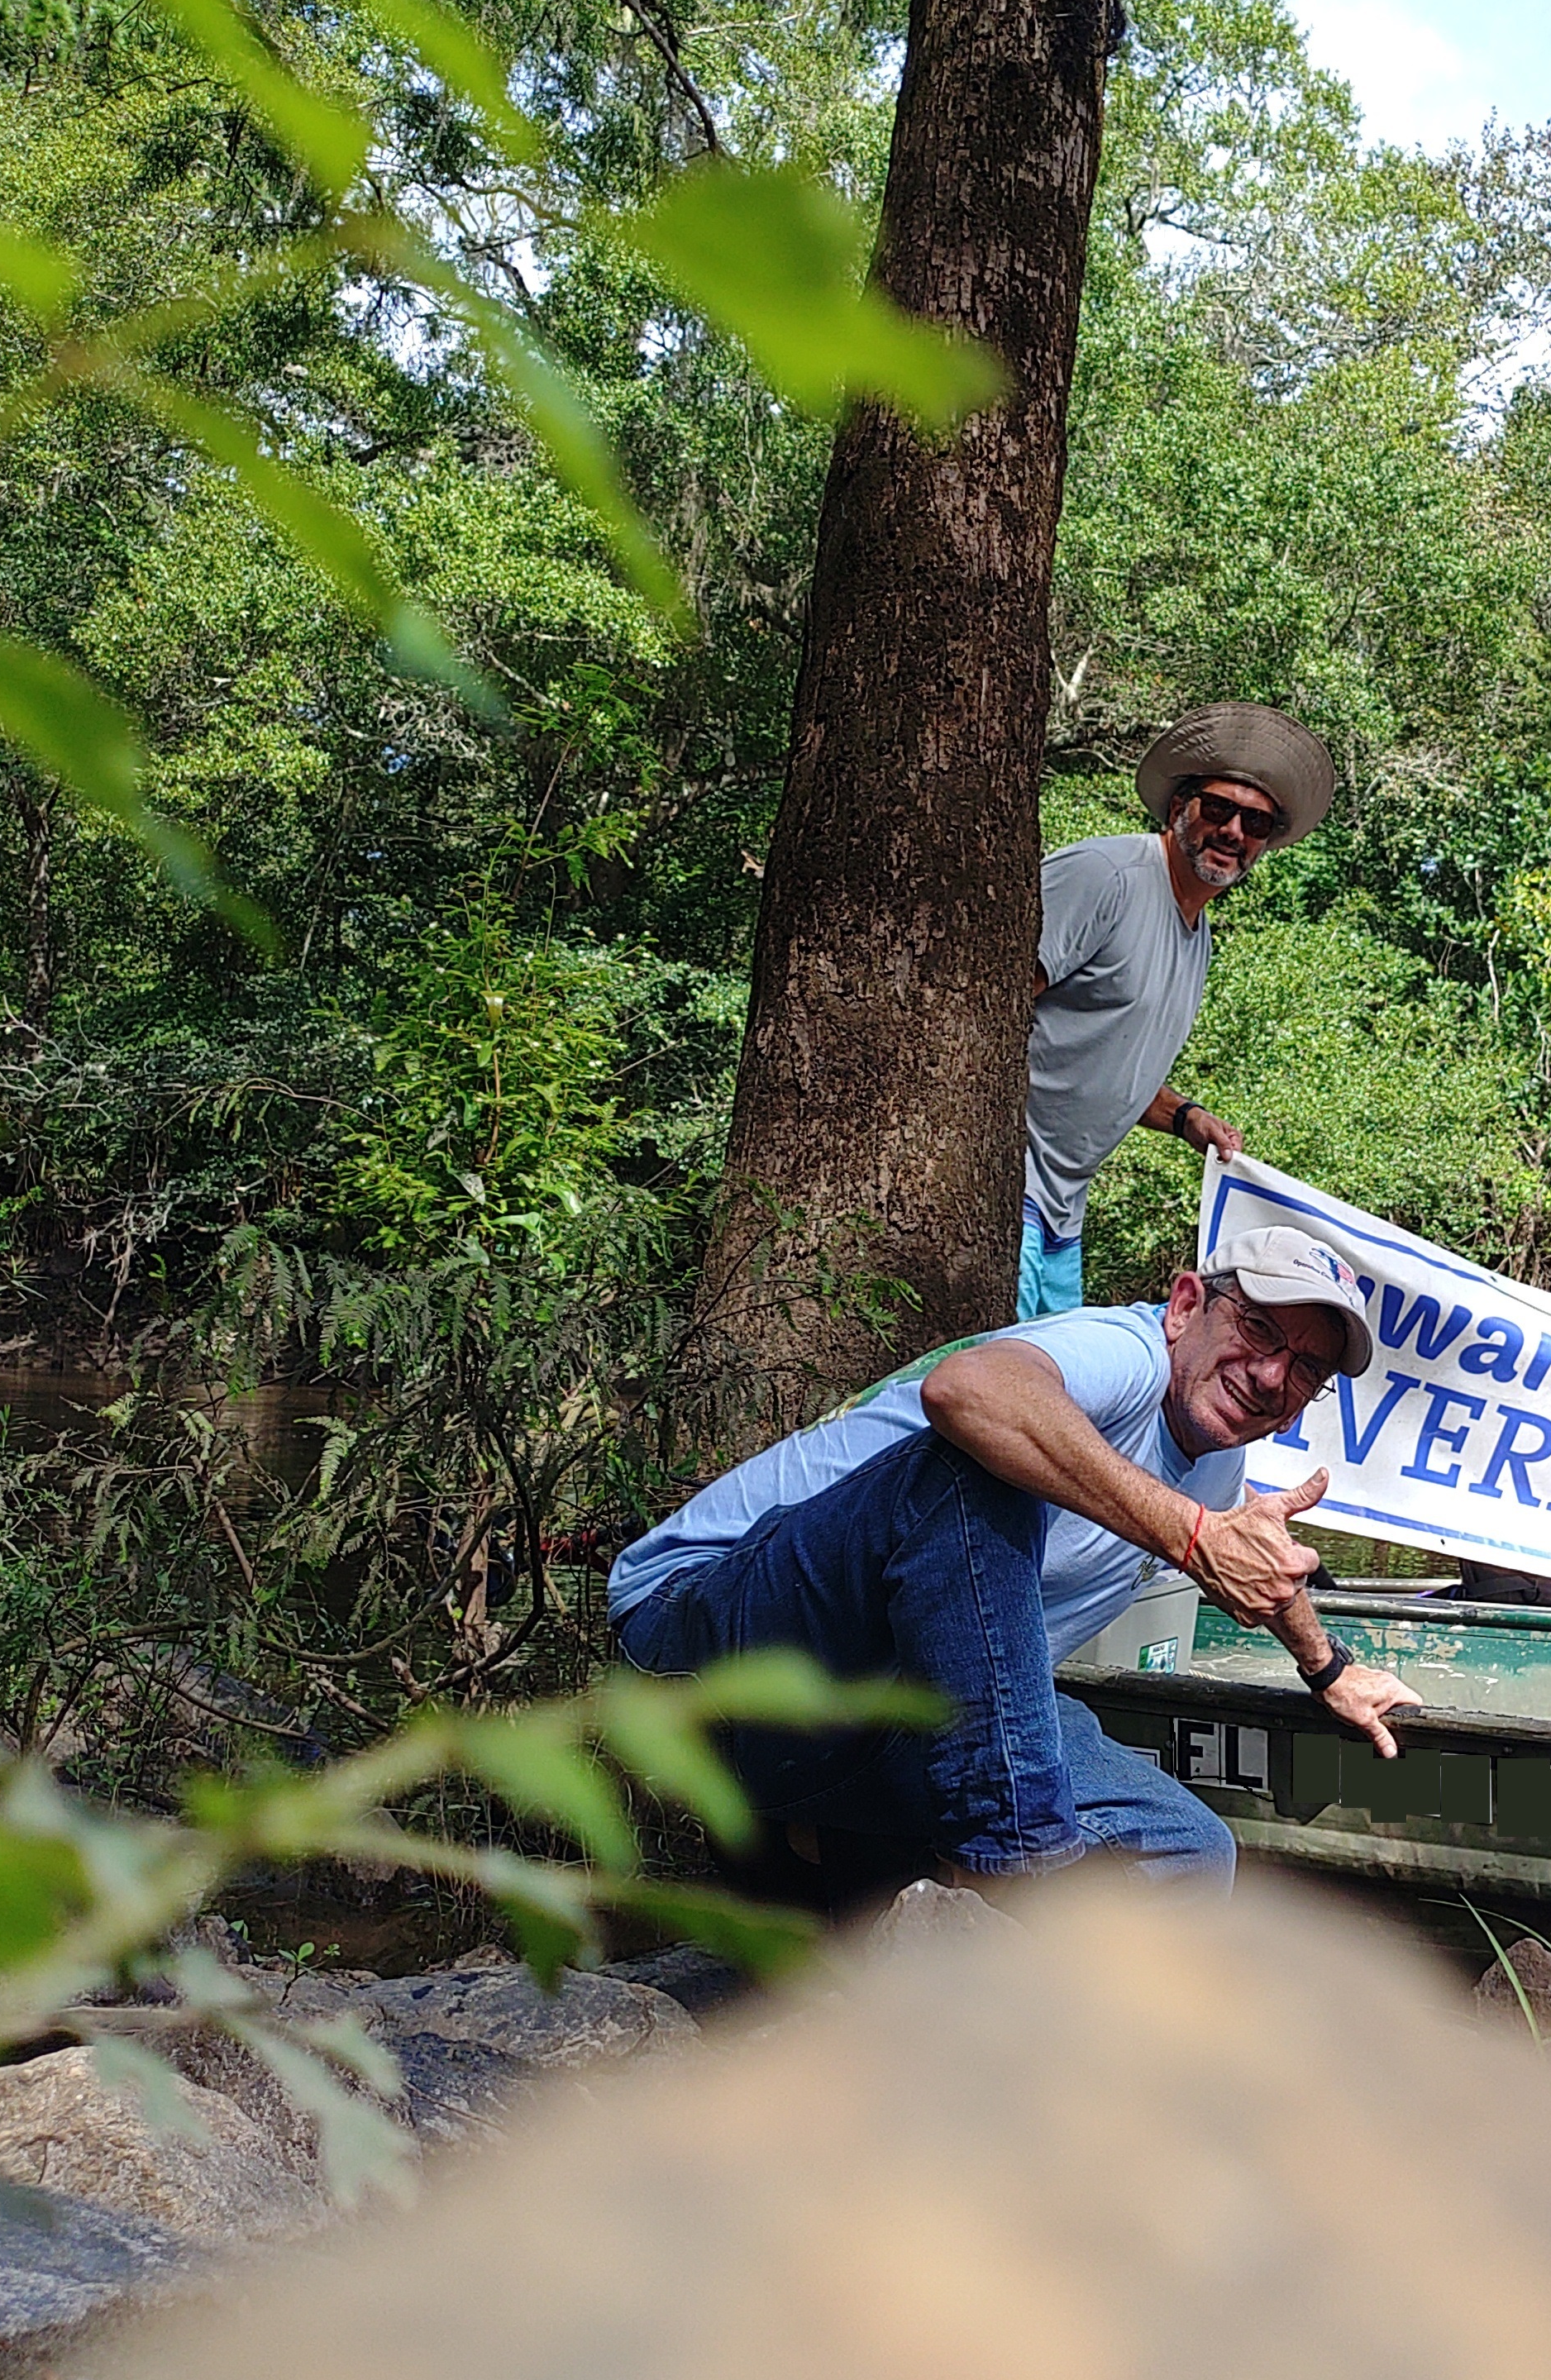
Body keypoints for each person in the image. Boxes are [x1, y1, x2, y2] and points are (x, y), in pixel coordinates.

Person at [609, 1225, 1423, 1886]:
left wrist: (1329, 1668)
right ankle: (1015, 1870)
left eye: (1305, 1367)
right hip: (694, 1645)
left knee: (1189, 1852)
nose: (1271, 1372)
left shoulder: (1217, 1458)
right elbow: (970, 1393)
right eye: (1257, 1330)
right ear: (1184, 1305)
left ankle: (879, 1883)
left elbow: (1254, 1550)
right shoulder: (1124, 1353)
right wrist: (1192, 1535)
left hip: (865, 1723)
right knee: (976, 1467)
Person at [1020, 704, 1338, 1322]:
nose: (1233, 831)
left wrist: (1185, 1117)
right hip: (1006, 1185)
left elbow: (1108, 1065)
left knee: (1036, 1373)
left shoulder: (1200, 938)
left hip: (1063, 1213)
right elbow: (984, 1010)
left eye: (1256, 822)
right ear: (1178, 811)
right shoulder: (1107, 876)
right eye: (1218, 809)